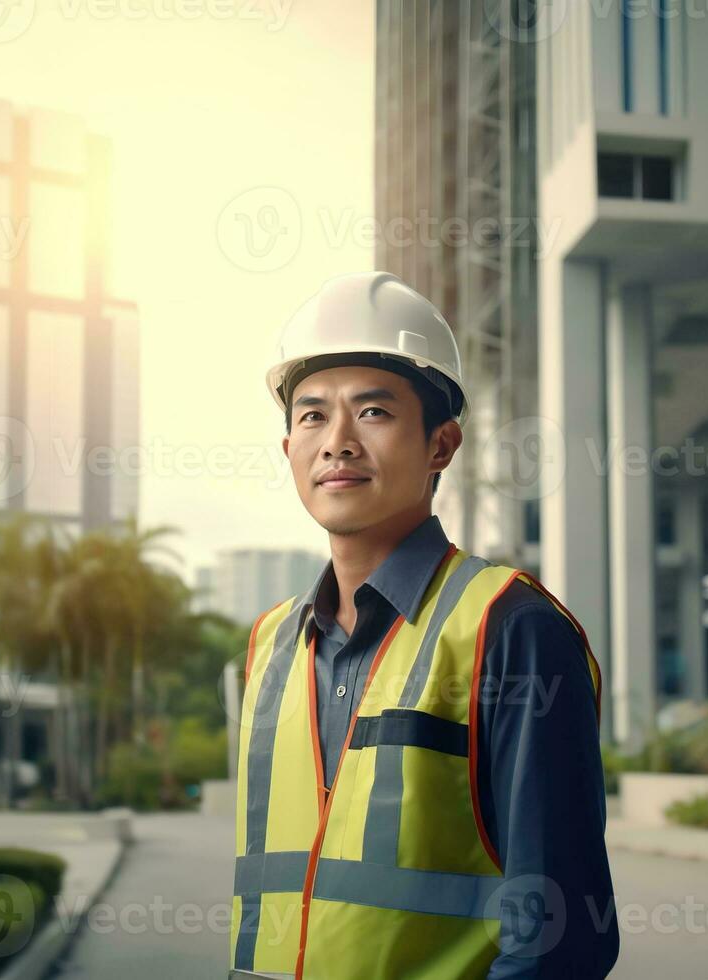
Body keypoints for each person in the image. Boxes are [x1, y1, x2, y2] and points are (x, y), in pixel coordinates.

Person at [228, 272, 619, 979]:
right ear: (287, 447)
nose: (336, 442)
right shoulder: (268, 645)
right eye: (312, 415)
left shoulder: (511, 628)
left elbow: (559, 942)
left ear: (440, 446)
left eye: (372, 413)